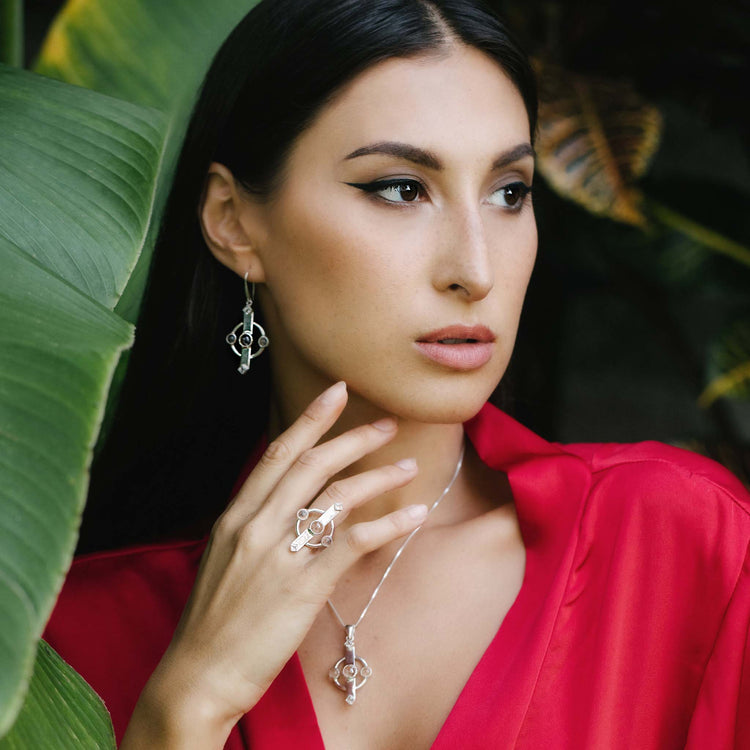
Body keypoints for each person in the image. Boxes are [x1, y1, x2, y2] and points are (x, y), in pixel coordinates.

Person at [44, 0, 750, 748]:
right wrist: (184, 710)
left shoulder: (679, 544)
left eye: (510, 192)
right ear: (232, 221)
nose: (476, 270)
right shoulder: (75, 641)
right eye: (400, 188)